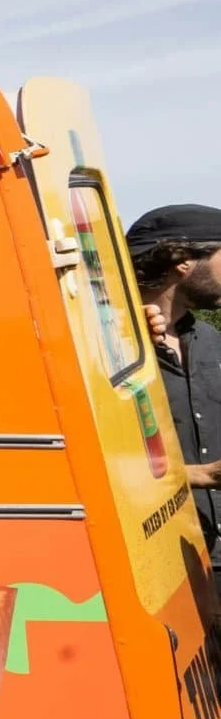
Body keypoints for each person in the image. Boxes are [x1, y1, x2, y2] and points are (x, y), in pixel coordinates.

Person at [130, 203, 221, 541]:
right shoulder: (104, 348)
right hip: (156, 550)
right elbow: (93, 464)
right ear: (182, 259)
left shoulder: (211, 342)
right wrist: (196, 475)